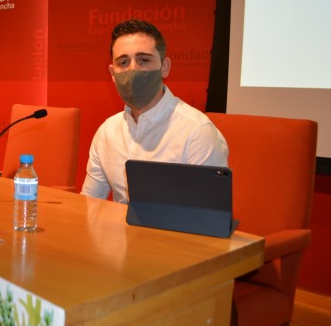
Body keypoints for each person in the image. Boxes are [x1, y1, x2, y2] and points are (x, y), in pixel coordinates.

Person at [81, 19, 228, 203]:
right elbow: (89, 205)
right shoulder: (106, 132)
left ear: (164, 67)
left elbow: (208, 218)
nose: (133, 69)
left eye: (143, 60)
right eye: (123, 62)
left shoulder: (197, 132)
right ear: (112, 73)